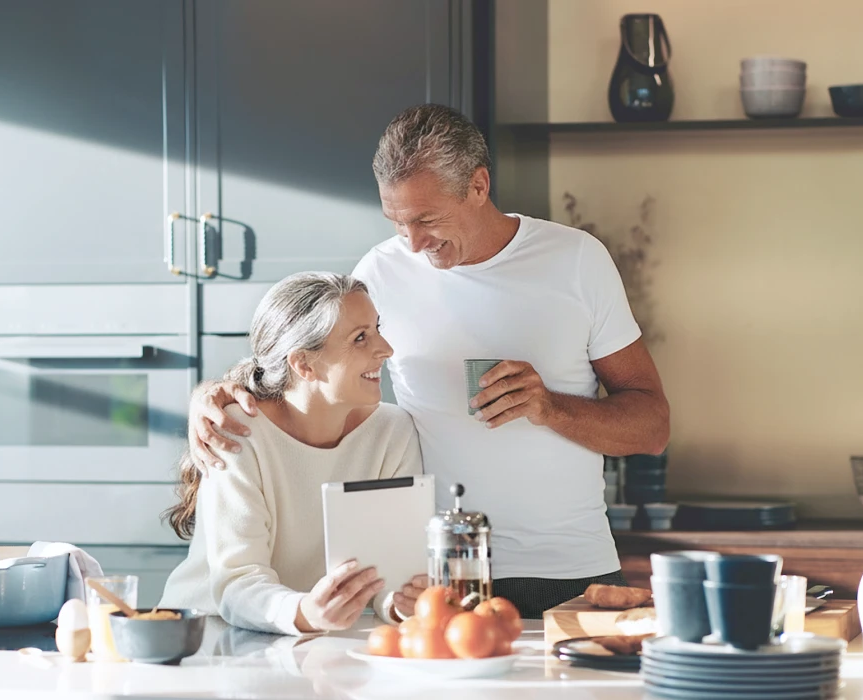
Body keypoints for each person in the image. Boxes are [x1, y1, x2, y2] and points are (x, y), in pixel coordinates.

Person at [185, 105, 670, 620]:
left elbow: (652, 427)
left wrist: (549, 407)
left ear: (478, 186)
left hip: (572, 572)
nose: (413, 243)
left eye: (426, 219)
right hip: (436, 579)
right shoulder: (382, 269)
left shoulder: (576, 260)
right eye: (397, 223)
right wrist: (215, 394)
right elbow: (315, 358)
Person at [159, 272, 422, 634]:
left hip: (305, 638)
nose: (386, 349)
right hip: (204, 635)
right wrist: (304, 612)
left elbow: (387, 568)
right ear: (304, 364)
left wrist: (400, 603)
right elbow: (236, 580)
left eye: (377, 329)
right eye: (360, 338)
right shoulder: (238, 433)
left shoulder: (392, 431)